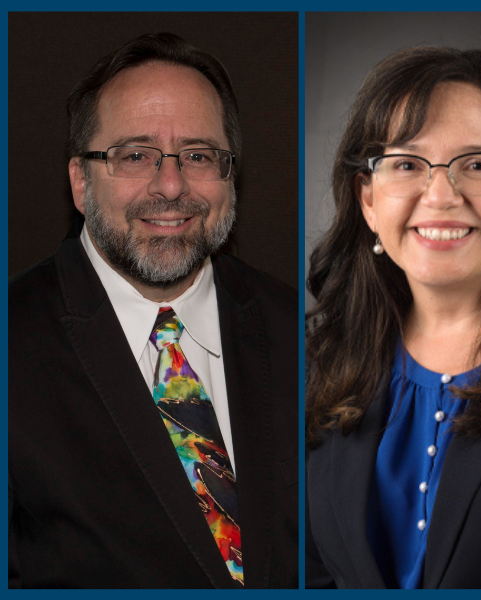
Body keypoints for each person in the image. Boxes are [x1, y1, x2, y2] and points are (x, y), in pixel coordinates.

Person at [8, 33, 298, 589]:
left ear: (230, 174)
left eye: (197, 155)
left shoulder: (299, 329)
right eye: (135, 155)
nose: (171, 185)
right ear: (79, 180)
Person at [305, 47, 481, 589]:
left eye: (479, 164)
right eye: (407, 164)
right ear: (367, 199)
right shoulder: (316, 363)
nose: (440, 196)